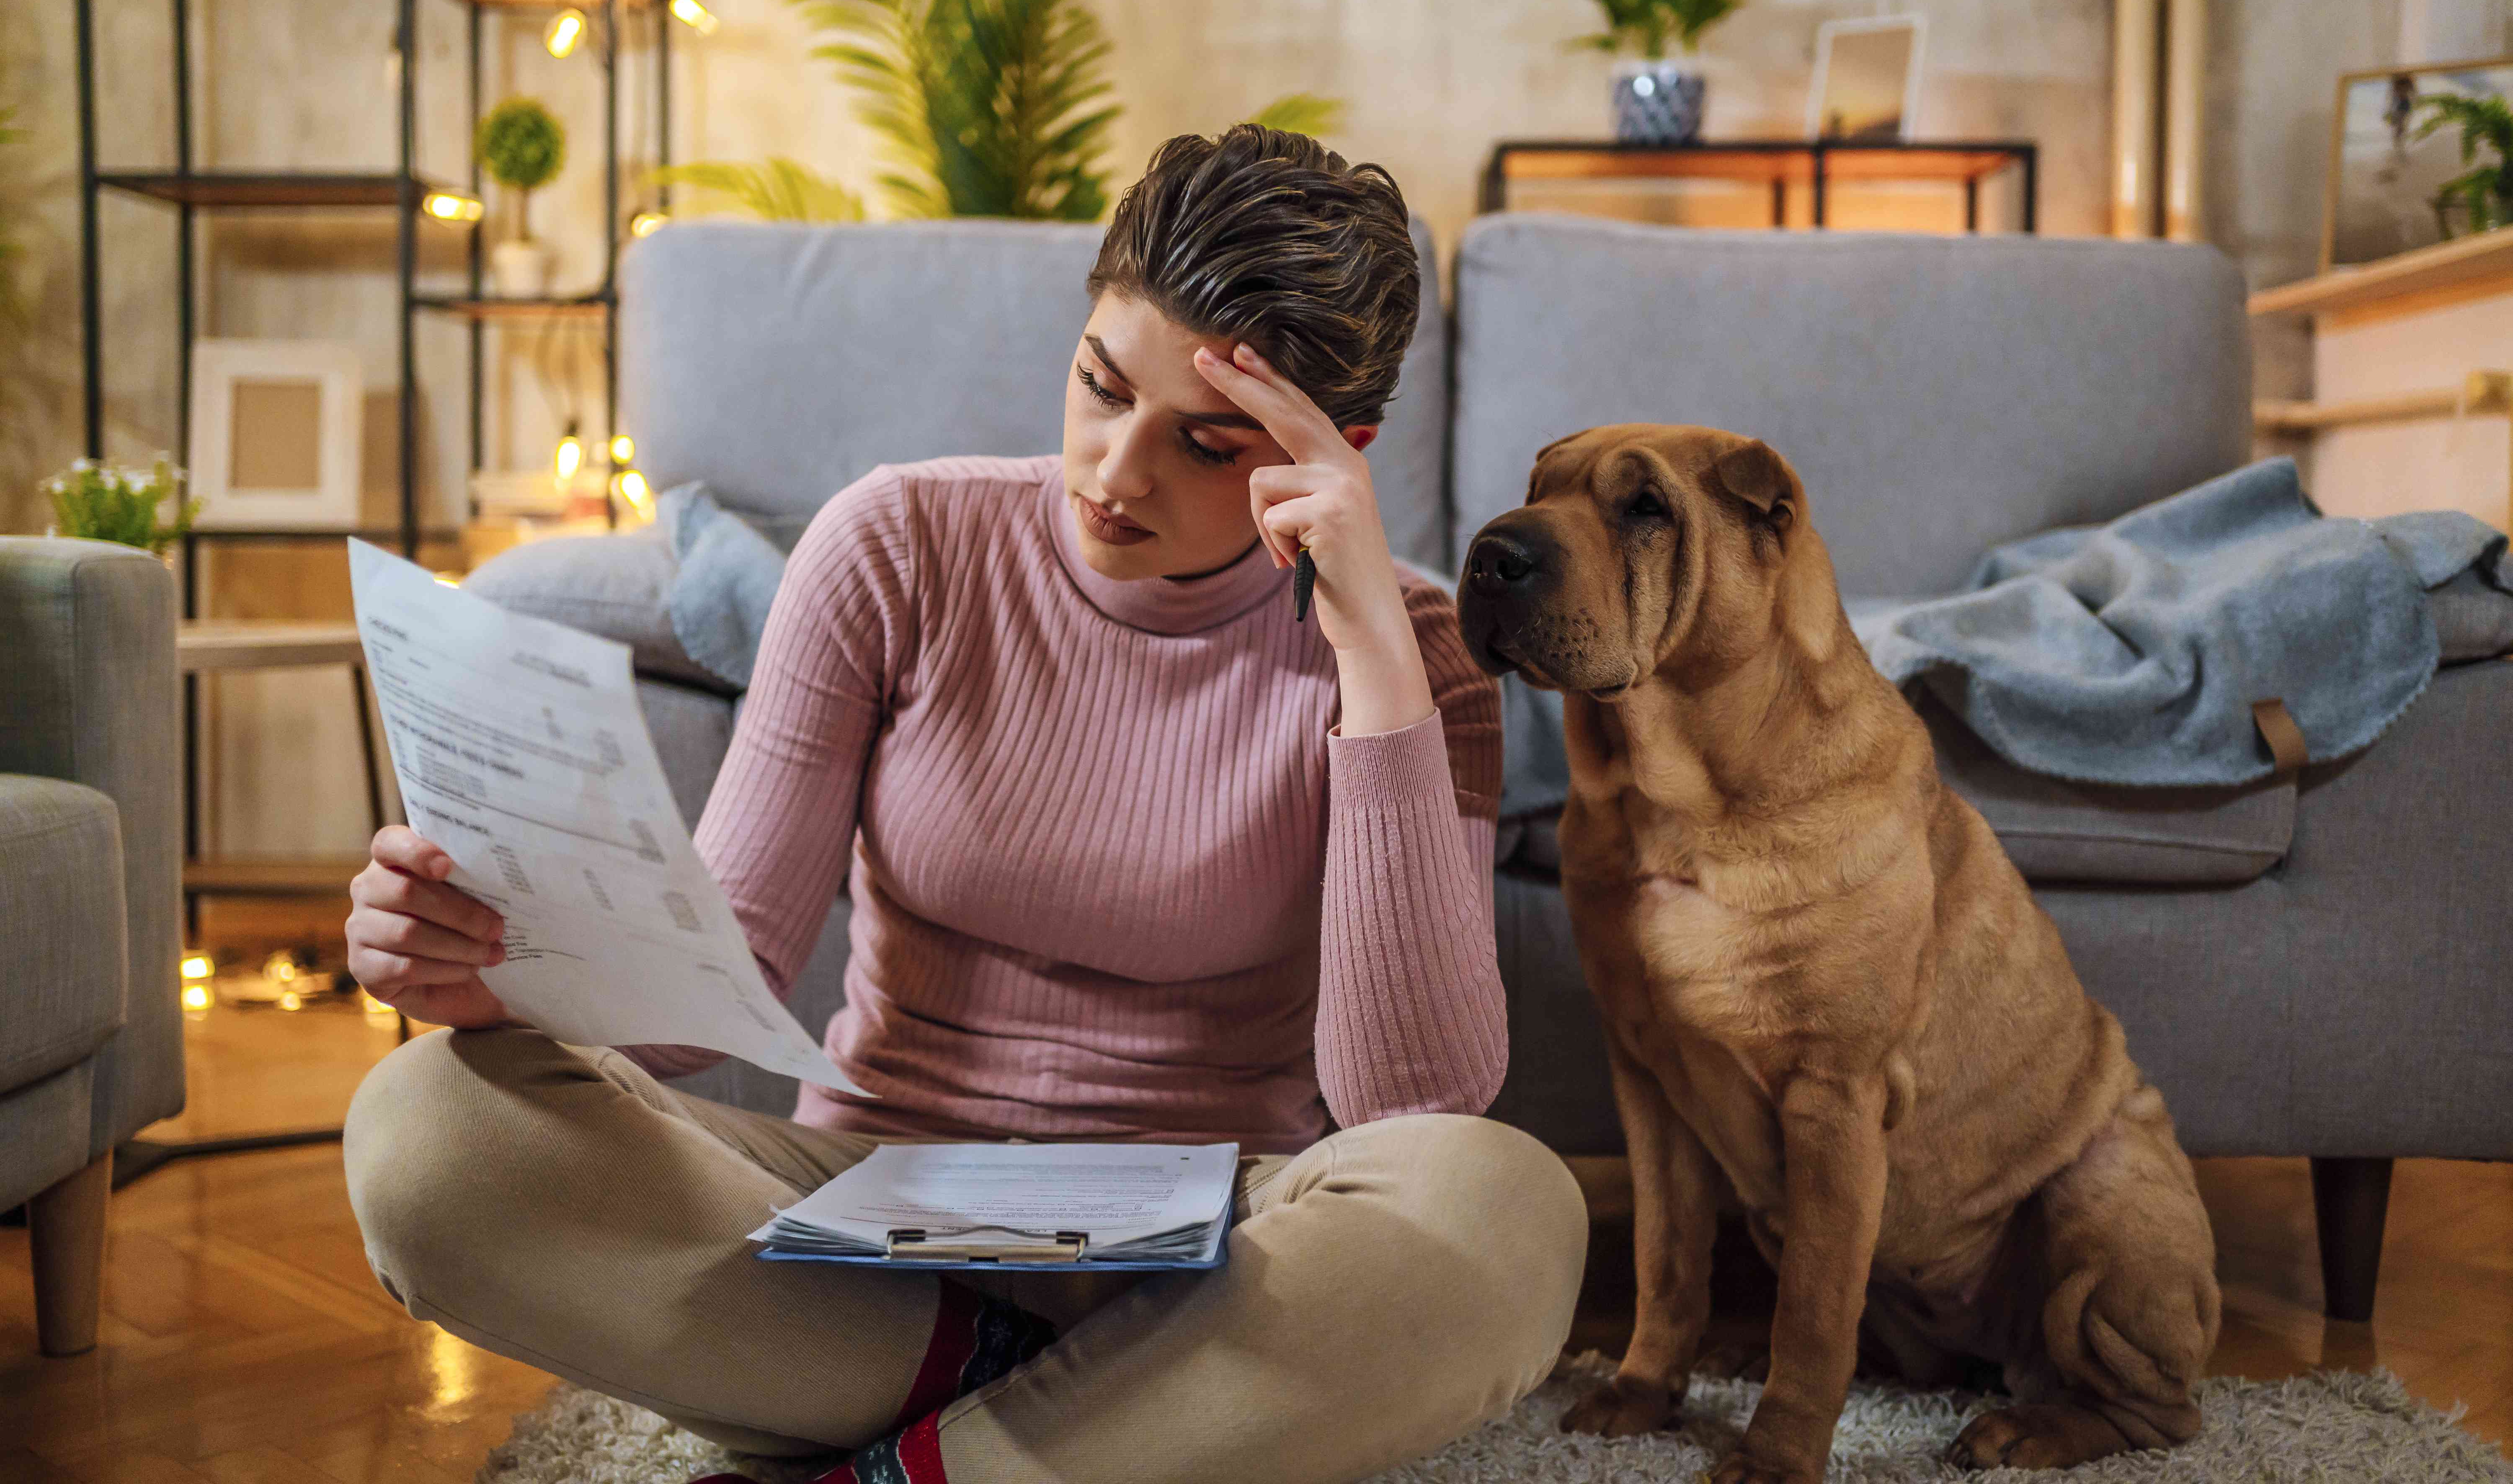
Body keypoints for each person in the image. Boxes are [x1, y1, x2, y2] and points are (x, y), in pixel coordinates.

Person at [339, 126, 1589, 1484]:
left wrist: (1373, 666)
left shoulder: (1412, 652)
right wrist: (493, 966)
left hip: (1220, 1258)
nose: (1116, 473)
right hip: (864, 1232)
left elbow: (1414, 1096)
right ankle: (1070, 1429)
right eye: (1101, 388)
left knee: (1503, 1207)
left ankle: (914, 1457)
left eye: (1207, 442)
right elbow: (724, 969)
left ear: (1329, 453)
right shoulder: (896, 544)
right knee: (423, 1134)